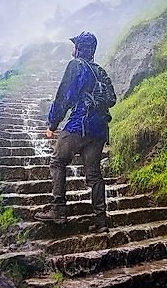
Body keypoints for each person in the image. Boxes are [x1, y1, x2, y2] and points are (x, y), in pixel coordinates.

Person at [33, 31, 116, 233]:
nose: (73, 48)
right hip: (98, 131)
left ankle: (59, 210)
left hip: (80, 124)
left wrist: (52, 124)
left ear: (79, 48)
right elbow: (112, 99)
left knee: (58, 161)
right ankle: (101, 222)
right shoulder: (100, 71)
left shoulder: (76, 66)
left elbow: (63, 97)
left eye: (75, 45)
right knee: (94, 175)